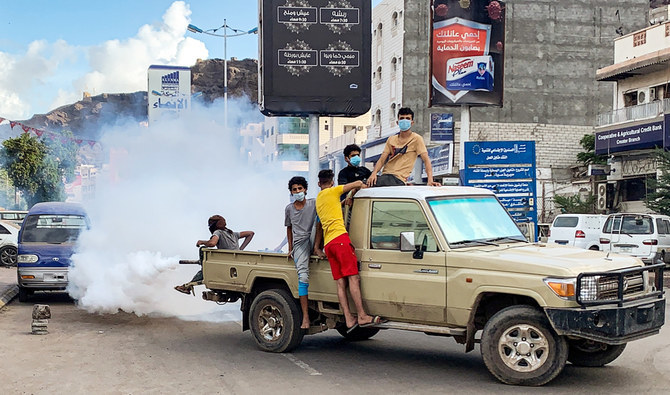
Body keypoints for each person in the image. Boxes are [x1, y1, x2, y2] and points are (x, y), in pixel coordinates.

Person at [315, 169, 382, 332]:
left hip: (329, 244)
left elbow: (332, 210)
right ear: (332, 182)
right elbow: (358, 183)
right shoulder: (335, 191)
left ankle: (348, 318)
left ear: (319, 184)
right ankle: (362, 315)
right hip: (340, 241)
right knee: (353, 278)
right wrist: (361, 188)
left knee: (340, 283)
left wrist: (347, 200)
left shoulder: (319, 199)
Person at [174, 215, 254, 295]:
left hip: (225, 264)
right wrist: (240, 249)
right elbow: (250, 233)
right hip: (235, 263)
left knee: (203, 252)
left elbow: (212, 243)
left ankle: (190, 283)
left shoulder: (218, 232)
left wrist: (202, 242)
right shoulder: (233, 234)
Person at [367, 107, 441, 187]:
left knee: (360, 184)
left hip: (398, 179)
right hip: (386, 176)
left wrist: (430, 180)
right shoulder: (391, 139)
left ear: (412, 122)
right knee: (359, 187)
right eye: (402, 118)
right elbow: (382, 160)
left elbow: (426, 160)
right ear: (397, 122)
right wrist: (374, 173)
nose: (404, 120)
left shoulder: (416, 139)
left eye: (407, 118)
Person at [285, 176, 318, 330]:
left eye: (300, 188)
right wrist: (290, 247)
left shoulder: (314, 203)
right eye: (294, 190)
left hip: (314, 238)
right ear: (291, 192)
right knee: (303, 277)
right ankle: (305, 317)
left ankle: (318, 247)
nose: (298, 192)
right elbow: (289, 228)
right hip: (300, 244)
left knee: (320, 221)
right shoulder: (289, 208)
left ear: (305, 189)